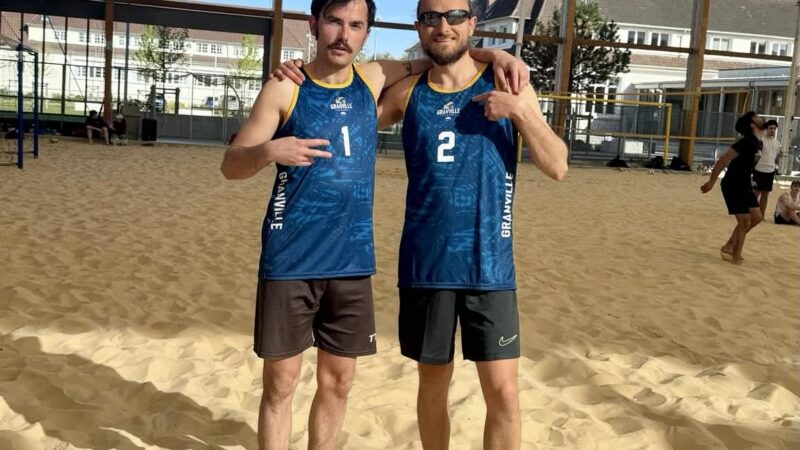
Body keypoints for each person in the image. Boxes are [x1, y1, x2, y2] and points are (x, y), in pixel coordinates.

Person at [220, 1, 527, 448]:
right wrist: (269, 151)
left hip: (352, 263)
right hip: (291, 259)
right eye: (334, 22)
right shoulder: (285, 87)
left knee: (339, 382)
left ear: (366, 33)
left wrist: (497, 55)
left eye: (356, 25)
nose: (344, 34)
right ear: (314, 24)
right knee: (281, 384)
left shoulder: (374, 78)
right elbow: (231, 165)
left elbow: (444, 54)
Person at [376, 1, 568, 448]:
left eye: (455, 16)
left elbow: (557, 165)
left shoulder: (508, 84)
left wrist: (519, 111)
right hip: (426, 267)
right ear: (418, 26)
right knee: (432, 385)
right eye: (431, 17)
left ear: (473, 23)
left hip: (490, 268)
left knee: (503, 393)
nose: (443, 26)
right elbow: (352, 101)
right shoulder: (407, 93)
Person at [701, 111, 765, 264]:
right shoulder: (745, 142)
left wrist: (751, 179)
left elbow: (746, 165)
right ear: (752, 124)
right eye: (756, 117)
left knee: (757, 217)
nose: (760, 118)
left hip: (744, 183)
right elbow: (723, 160)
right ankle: (735, 256)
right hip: (733, 184)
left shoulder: (757, 142)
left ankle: (729, 245)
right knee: (745, 222)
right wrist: (711, 182)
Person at [753, 119, 780, 219]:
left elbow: (776, 156)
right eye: (770, 128)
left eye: (774, 128)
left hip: (770, 171)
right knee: (755, 193)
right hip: (759, 169)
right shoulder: (761, 140)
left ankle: (761, 216)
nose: (772, 130)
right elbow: (756, 155)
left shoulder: (777, 143)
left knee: (765, 195)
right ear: (766, 129)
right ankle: (752, 214)